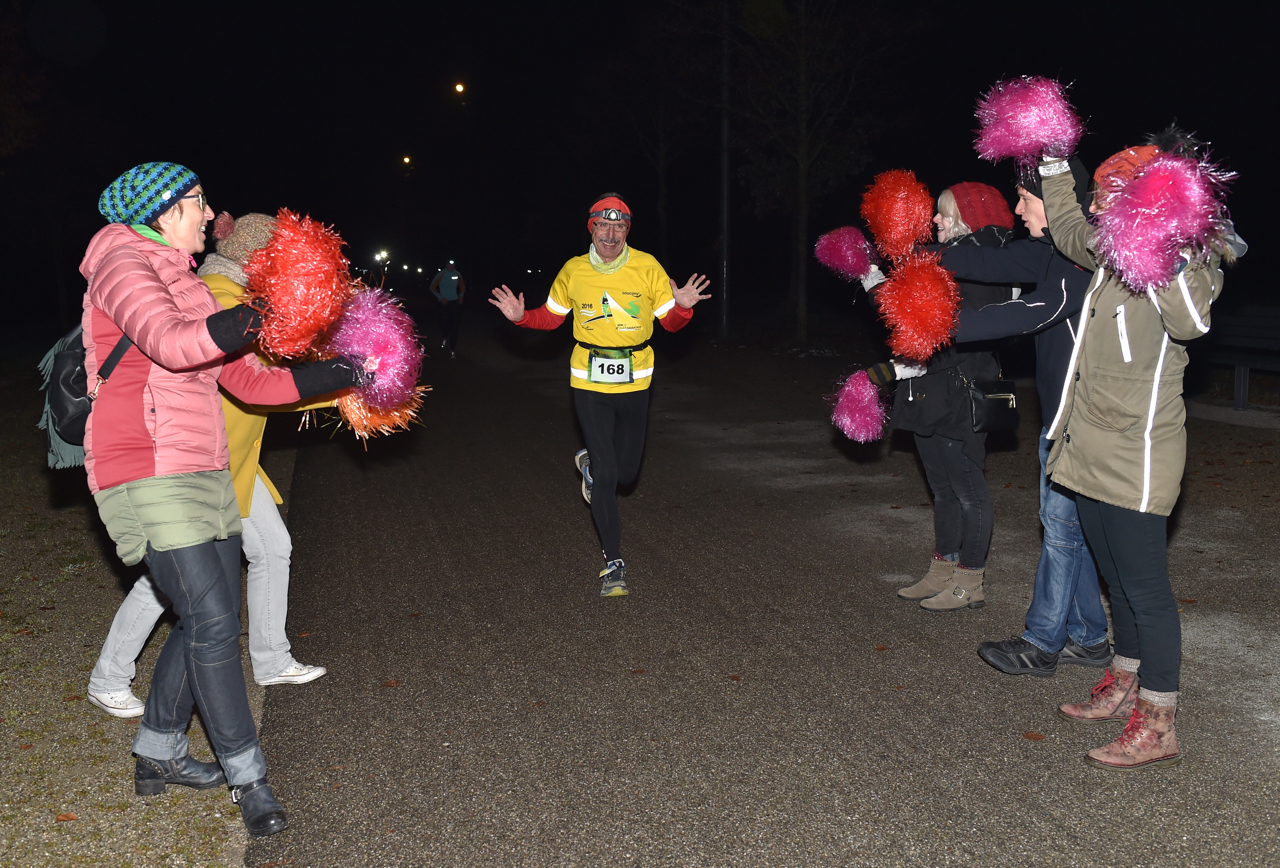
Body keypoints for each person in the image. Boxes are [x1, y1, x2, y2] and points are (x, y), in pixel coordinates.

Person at [83, 163, 363, 834]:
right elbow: (175, 347)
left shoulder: (188, 282)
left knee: (200, 616)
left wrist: (347, 372)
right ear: (160, 211)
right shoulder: (123, 262)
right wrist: (269, 310)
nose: (209, 217)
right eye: (198, 204)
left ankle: (159, 753)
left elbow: (253, 386)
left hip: (204, 468)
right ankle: (250, 779)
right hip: (144, 466)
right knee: (214, 621)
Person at [1038, 129, 1240, 769]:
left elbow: (1190, 322)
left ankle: (1158, 722)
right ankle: (1124, 681)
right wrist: (1049, 160)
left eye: (1105, 198)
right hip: (1089, 444)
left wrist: (1166, 249)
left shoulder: (1187, 263)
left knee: (1146, 590)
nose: (1097, 210)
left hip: (1139, 453)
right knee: (1114, 581)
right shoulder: (1110, 251)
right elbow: (1069, 230)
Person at [86, 213, 333, 722]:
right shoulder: (220, 292)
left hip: (231, 462)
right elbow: (253, 386)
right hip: (189, 465)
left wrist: (341, 383)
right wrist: (340, 394)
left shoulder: (220, 287)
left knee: (265, 552)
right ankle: (110, 678)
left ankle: (270, 660)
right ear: (261, 259)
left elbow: (261, 382)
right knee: (172, 583)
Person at [912, 162, 1113, 674]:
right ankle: (1089, 639)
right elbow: (993, 265)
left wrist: (940, 324)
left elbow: (1033, 310)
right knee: (1073, 531)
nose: (1017, 208)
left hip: (1082, 420)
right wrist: (917, 254)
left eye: (1026, 199)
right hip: (1062, 418)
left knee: (1063, 530)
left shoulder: (1079, 263)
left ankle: (1043, 642)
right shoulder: (1050, 251)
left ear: (1059, 202)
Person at [489, 194, 710, 596]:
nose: (611, 234)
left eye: (620, 226)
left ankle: (590, 464)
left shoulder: (647, 267)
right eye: (603, 226)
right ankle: (614, 565)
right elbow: (551, 317)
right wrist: (522, 317)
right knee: (610, 477)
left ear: (627, 231)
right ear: (591, 228)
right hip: (588, 380)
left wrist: (683, 308)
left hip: (636, 378)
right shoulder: (573, 271)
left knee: (626, 475)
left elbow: (672, 325)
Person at [890, 183, 1015, 611]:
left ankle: (971, 579)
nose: (936, 221)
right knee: (942, 490)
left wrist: (903, 364)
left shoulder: (981, 269)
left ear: (968, 220)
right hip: (930, 392)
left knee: (968, 491)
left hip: (959, 395)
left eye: (944, 214)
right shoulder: (944, 263)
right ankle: (943, 568)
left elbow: (957, 339)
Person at [430, 260, 466, 358]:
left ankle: (452, 350)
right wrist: (440, 297)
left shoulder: (457, 274)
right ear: (446, 264)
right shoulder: (441, 274)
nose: (450, 265)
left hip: (454, 302)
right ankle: (445, 336)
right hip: (444, 303)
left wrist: (461, 295)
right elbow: (432, 287)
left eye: (452, 264)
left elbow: (462, 286)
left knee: (455, 326)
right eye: (449, 264)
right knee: (444, 324)